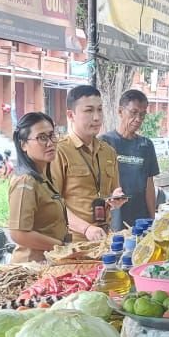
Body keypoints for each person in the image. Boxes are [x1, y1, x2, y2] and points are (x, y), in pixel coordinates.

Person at [53, 85, 125, 241]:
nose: (97, 117)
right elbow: (52, 204)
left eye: (100, 110)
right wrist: (85, 228)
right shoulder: (59, 151)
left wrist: (115, 198)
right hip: (72, 243)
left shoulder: (108, 152)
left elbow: (113, 191)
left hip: (104, 238)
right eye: (89, 110)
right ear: (71, 115)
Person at [7, 112, 70, 263]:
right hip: (31, 267)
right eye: (42, 138)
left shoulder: (45, 177)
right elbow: (18, 233)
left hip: (49, 262)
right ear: (23, 144)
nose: (50, 143)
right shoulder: (25, 182)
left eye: (52, 135)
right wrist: (61, 247)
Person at [100, 89, 160, 227]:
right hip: (114, 217)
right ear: (120, 111)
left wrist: (152, 219)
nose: (138, 119)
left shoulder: (146, 145)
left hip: (141, 218)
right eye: (133, 113)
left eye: (142, 114)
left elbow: (149, 185)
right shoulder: (104, 143)